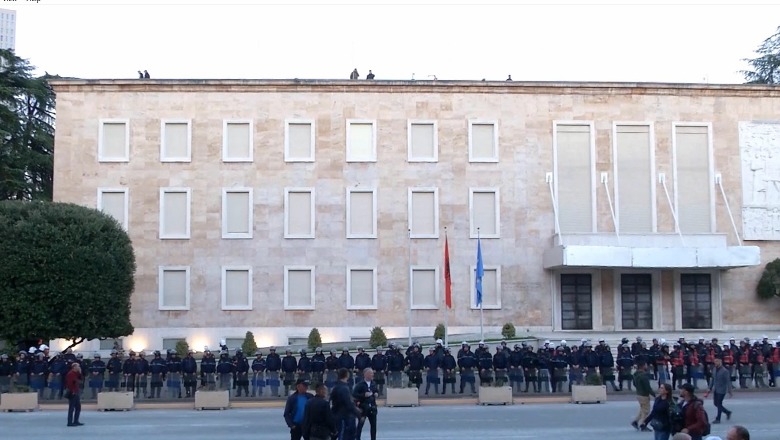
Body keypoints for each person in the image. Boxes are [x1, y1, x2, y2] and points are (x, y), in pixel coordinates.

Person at [330, 368, 361, 440]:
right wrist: (357, 412)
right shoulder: (343, 388)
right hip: (344, 416)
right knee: (344, 435)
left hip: (337, 415)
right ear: (347, 375)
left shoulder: (336, 387)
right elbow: (348, 403)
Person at [704, 357, 732, 423]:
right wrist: (709, 388)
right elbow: (712, 379)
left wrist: (729, 390)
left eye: (717, 361)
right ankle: (727, 412)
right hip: (716, 389)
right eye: (715, 362)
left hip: (722, 390)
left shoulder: (725, 371)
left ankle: (718, 418)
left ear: (720, 362)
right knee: (716, 403)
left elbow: (728, 381)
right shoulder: (714, 369)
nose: (715, 363)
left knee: (719, 404)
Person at [353, 368, 378, 440]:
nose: (372, 375)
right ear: (365, 374)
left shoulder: (373, 383)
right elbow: (354, 394)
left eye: (372, 373)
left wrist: (376, 393)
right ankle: (357, 438)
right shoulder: (360, 384)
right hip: (363, 407)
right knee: (360, 425)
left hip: (372, 407)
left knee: (373, 426)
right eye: (370, 373)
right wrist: (364, 395)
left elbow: (375, 390)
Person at [632, 362, 656, 431]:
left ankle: (636, 421)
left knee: (642, 409)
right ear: (643, 366)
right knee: (646, 411)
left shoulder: (635, 375)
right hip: (644, 395)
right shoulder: (644, 376)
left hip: (639, 393)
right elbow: (648, 387)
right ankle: (642, 424)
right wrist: (653, 394)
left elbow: (634, 384)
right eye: (646, 365)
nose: (647, 366)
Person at [64, 362, 83, 427]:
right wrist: (72, 391)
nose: (79, 367)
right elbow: (70, 384)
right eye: (78, 366)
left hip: (76, 391)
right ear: (74, 367)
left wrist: (80, 373)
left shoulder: (76, 373)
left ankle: (76, 420)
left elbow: (80, 379)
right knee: (71, 408)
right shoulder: (70, 374)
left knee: (78, 407)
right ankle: (69, 422)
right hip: (73, 391)